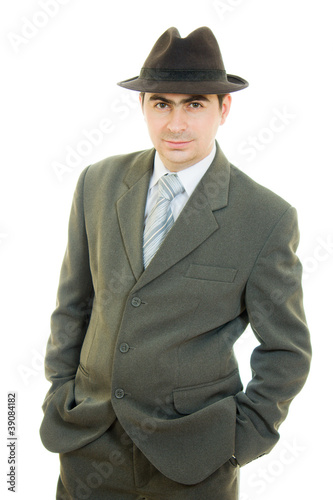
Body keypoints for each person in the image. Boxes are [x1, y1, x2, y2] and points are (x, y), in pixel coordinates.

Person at [40, 27, 312, 499]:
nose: (176, 124)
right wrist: (61, 392)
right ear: (142, 105)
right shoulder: (97, 184)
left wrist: (239, 438)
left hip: (195, 463)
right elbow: (73, 303)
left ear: (224, 109)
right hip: (87, 447)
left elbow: (287, 351)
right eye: (162, 103)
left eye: (195, 104)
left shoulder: (265, 217)